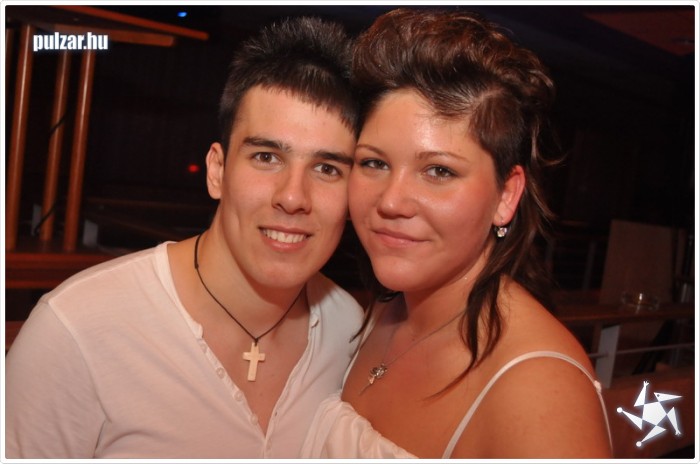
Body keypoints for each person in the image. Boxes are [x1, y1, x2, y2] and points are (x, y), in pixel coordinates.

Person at [5, 17, 363, 459]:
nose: (293, 197)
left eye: (327, 168)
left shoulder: (349, 332)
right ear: (217, 170)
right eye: (266, 157)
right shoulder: (77, 329)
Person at [301, 8, 612, 459]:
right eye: (374, 163)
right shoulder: (388, 309)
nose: (391, 201)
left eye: (439, 171)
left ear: (506, 195)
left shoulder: (540, 391)